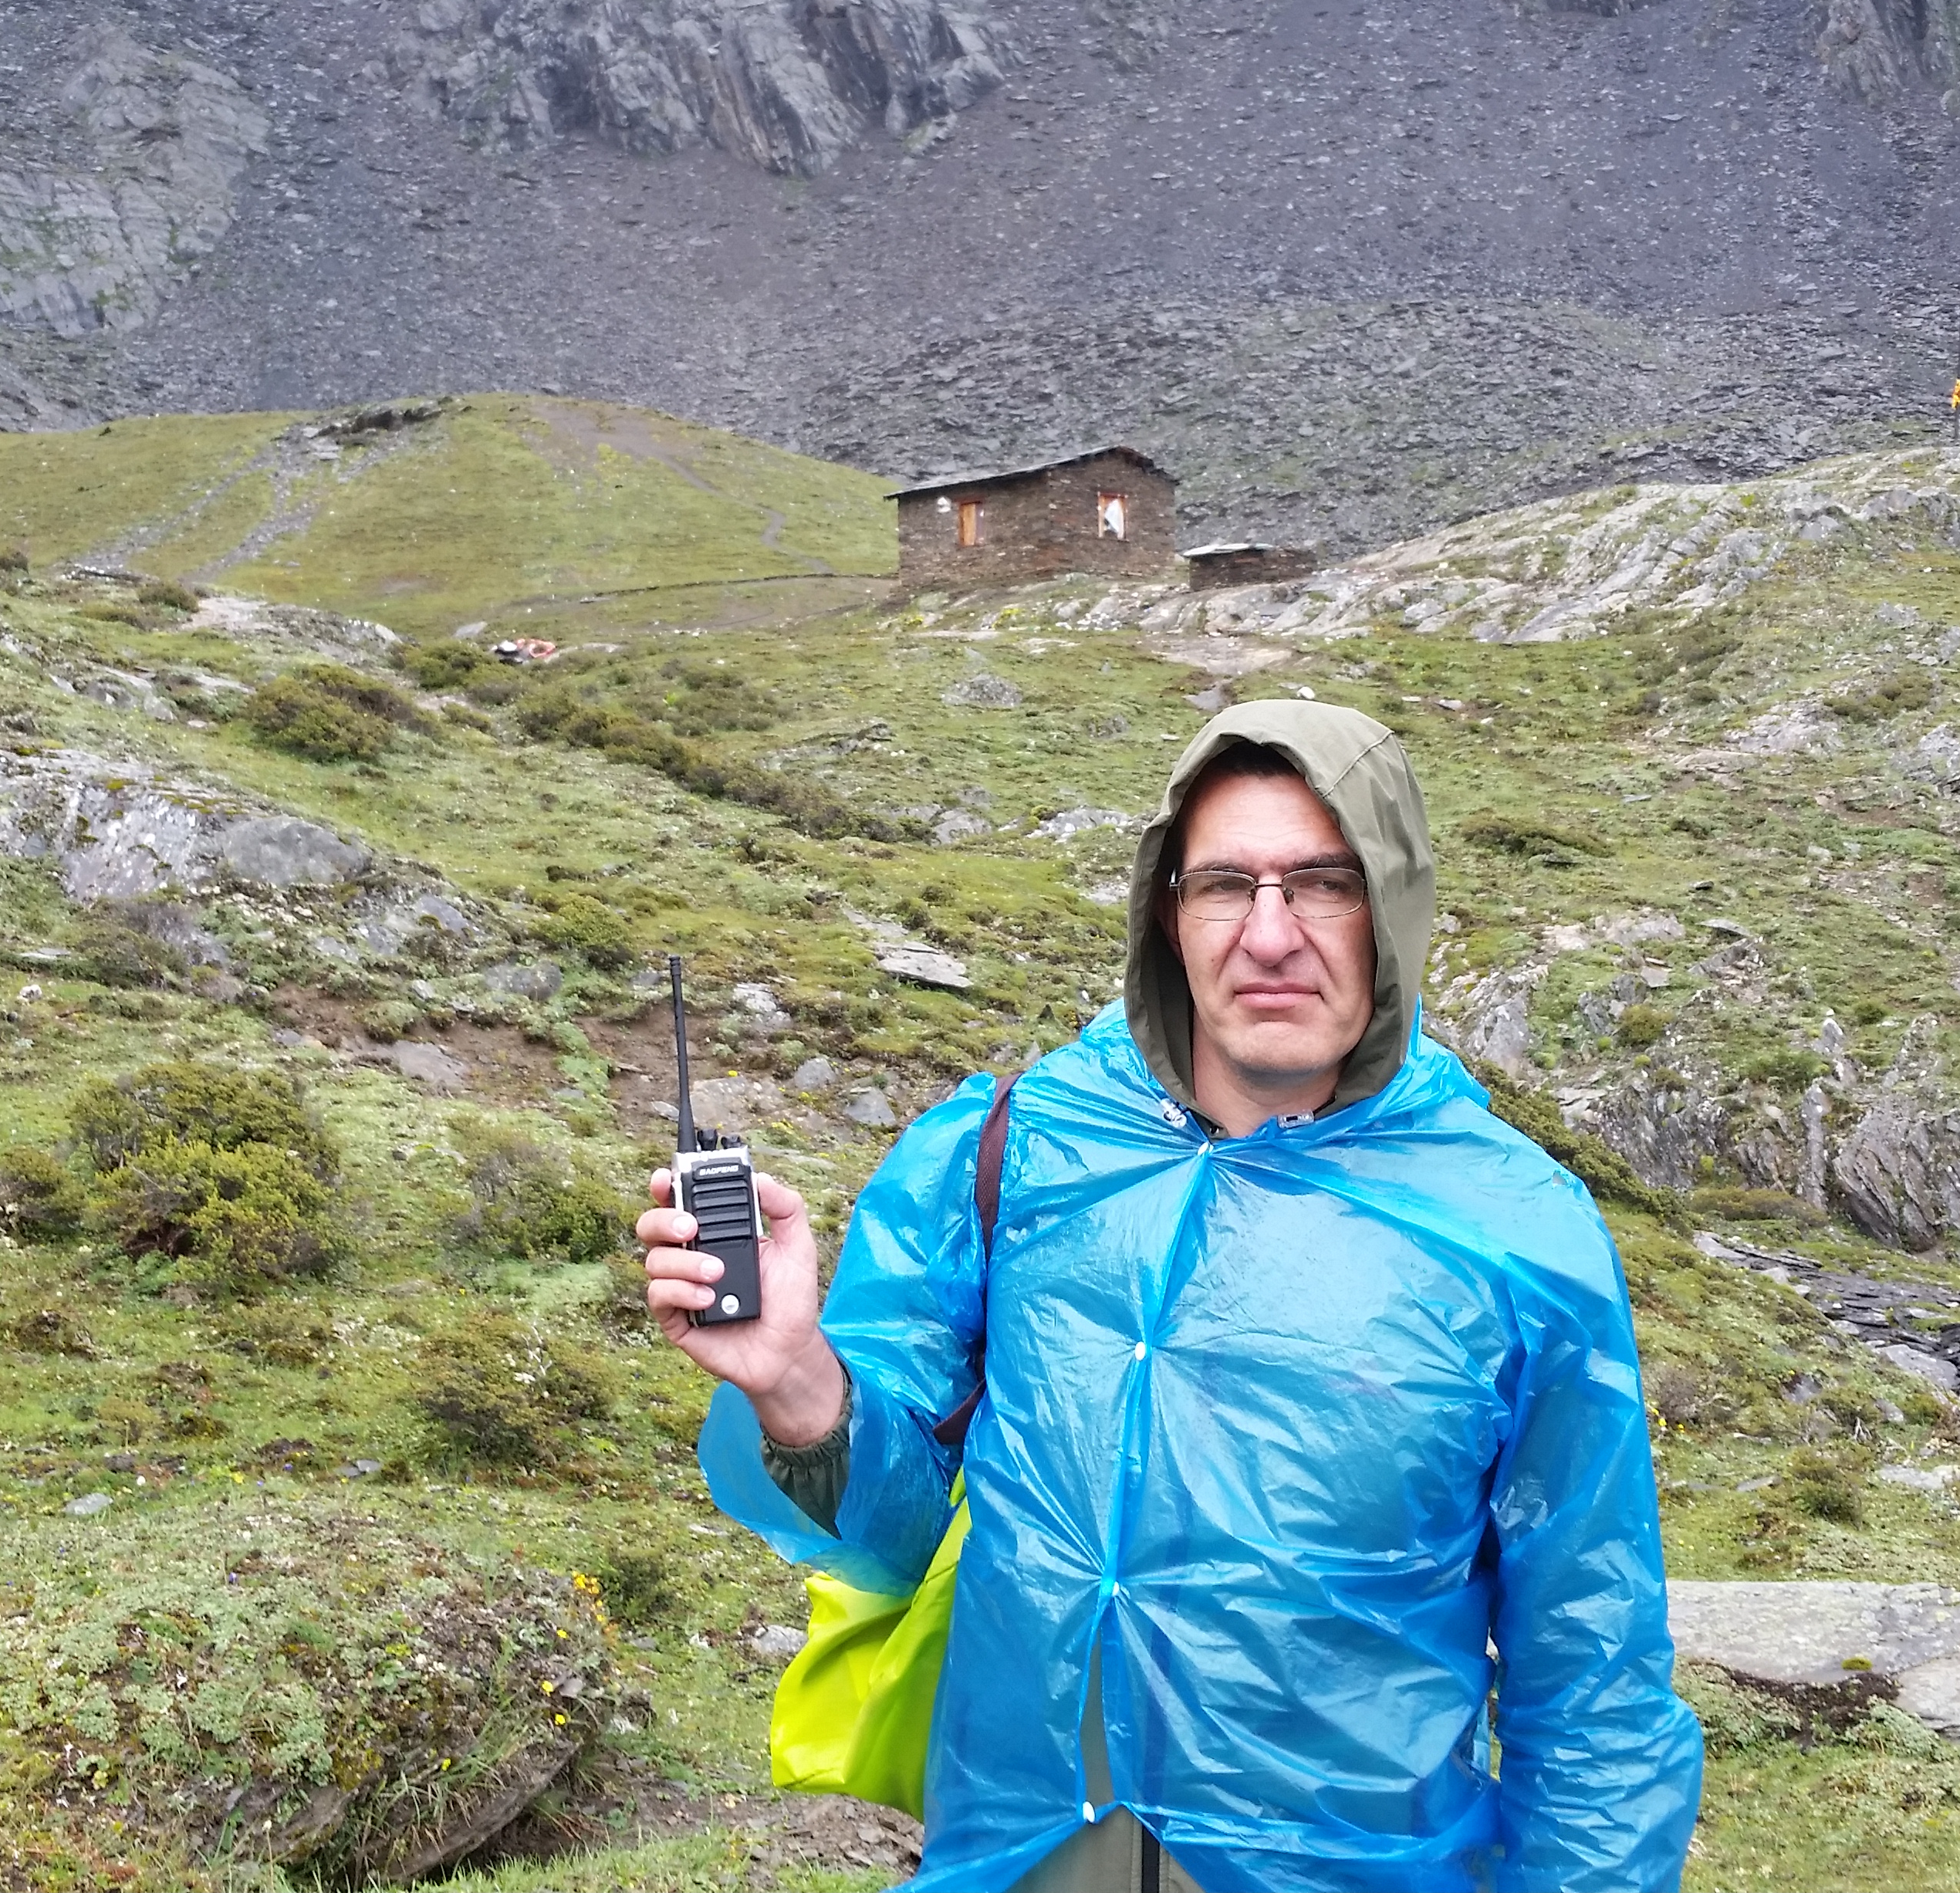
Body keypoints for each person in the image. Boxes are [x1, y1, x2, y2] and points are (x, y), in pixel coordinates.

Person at [639, 700, 1702, 1892]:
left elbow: (1593, 1666)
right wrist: (799, 1388)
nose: (1269, 935)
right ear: (1168, 911)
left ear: (1394, 901)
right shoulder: (1012, 1148)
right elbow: (898, 1540)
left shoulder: (1518, 1230)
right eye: (1223, 887)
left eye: (1322, 883)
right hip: (1022, 1858)